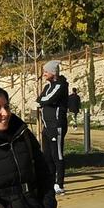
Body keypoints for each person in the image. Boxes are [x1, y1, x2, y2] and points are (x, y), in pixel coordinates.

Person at [37, 60, 69, 194]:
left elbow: (47, 99)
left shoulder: (60, 85)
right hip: (46, 125)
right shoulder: (47, 86)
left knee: (57, 155)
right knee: (47, 155)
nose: (44, 74)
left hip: (56, 125)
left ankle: (59, 183)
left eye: (46, 71)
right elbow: (40, 98)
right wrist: (41, 102)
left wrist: (41, 102)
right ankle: (50, 182)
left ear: (53, 72)